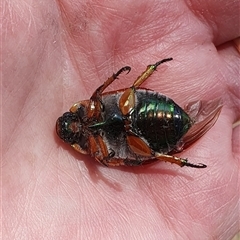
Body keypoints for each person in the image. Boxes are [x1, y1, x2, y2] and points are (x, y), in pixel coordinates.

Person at [2, 0, 239, 239]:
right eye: (71, 131)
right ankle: (176, 159)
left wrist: (113, 79)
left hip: (138, 110)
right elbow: (110, 158)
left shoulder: (91, 108)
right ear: (74, 140)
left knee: (133, 90)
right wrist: (112, 158)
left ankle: (155, 84)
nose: (74, 126)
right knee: (151, 153)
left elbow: (103, 95)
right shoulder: (94, 148)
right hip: (136, 139)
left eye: (70, 120)